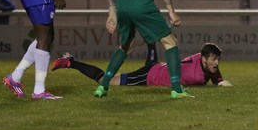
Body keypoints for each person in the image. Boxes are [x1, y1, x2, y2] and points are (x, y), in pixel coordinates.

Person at [51, 42, 232, 88]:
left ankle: (150, 40)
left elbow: (218, 80)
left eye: (218, 59)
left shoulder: (203, 60)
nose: (216, 63)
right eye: (214, 59)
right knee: (106, 81)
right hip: (150, 76)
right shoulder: (197, 76)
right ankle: (70, 62)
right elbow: (212, 82)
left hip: (158, 67)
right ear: (204, 58)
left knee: (152, 58)